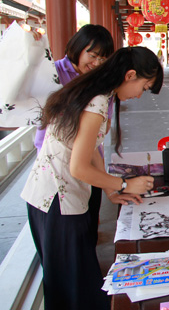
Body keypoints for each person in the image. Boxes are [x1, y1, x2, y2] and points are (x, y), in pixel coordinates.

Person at [20, 46, 163, 310]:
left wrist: (110, 190)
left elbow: (90, 149)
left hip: (51, 199)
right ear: (130, 75)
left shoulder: (96, 91)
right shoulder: (98, 100)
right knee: (74, 289)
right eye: (144, 86)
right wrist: (123, 183)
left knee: (74, 283)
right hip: (57, 202)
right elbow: (79, 168)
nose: (140, 94)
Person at [33, 24, 114, 246]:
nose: (97, 63)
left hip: (90, 160)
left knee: (87, 230)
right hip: (56, 165)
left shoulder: (102, 83)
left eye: (103, 58)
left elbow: (103, 127)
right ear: (77, 48)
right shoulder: (53, 72)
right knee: (63, 239)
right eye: (93, 55)